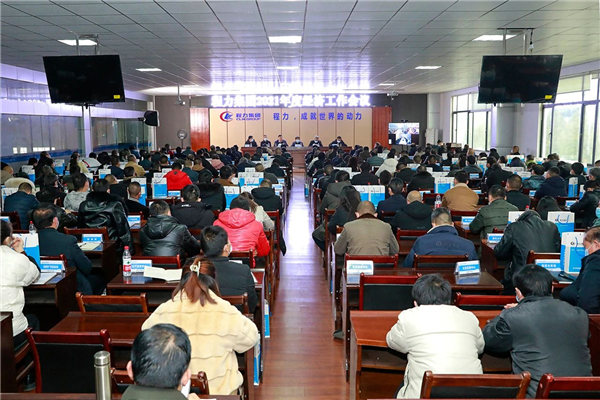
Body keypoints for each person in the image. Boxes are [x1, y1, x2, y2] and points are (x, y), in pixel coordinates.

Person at [141, 260, 259, 395]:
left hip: (176, 393)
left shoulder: (166, 309)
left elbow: (146, 335)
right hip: (219, 392)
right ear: (213, 280)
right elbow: (251, 337)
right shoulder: (224, 310)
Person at [483, 265, 592, 397]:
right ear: (552, 288)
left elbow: (489, 340)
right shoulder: (579, 314)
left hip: (539, 395)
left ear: (518, 292)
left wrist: (508, 312)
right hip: (585, 395)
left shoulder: (513, 317)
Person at [386, 274, 484, 399]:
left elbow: (391, 340)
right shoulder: (470, 317)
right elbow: (480, 347)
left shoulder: (409, 317)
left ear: (415, 303)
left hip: (427, 394)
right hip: (472, 394)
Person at [33, 204, 104, 294]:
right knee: (100, 278)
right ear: (55, 220)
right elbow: (86, 267)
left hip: (38, 290)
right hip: (71, 288)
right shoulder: (68, 240)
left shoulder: (29, 242)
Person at [493, 210, 560, 290]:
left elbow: (499, 252)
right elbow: (558, 250)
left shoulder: (515, 227)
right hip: (548, 276)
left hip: (522, 277)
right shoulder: (552, 226)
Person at [0, 219, 40, 345]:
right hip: (8, 333)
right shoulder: (16, 259)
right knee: (34, 319)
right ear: (8, 239)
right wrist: (20, 250)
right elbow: (35, 274)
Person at [201, 226, 258, 312]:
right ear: (226, 248)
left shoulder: (195, 270)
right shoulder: (243, 270)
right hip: (236, 317)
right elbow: (252, 304)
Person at [403, 208, 477, 268]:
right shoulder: (468, 245)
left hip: (428, 281)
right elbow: (475, 270)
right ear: (452, 224)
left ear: (433, 224)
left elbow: (407, 266)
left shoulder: (421, 242)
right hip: (457, 281)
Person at [78, 178, 132, 251]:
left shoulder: (83, 205)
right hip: (111, 245)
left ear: (92, 190)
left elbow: (80, 227)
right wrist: (129, 251)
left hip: (87, 245)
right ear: (108, 190)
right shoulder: (114, 205)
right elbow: (123, 230)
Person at [334, 201, 399, 256]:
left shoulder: (348, 227)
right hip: (380, 266)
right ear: (375, 215)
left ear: (357, 214)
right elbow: (395, 250)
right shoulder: (386, 227)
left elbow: (338, 250)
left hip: (356, 266)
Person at [560, 227, 600, 314]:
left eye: (585, 247)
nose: (585, 251)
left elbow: (588, 301)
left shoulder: (596, 261)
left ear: (596, 244)